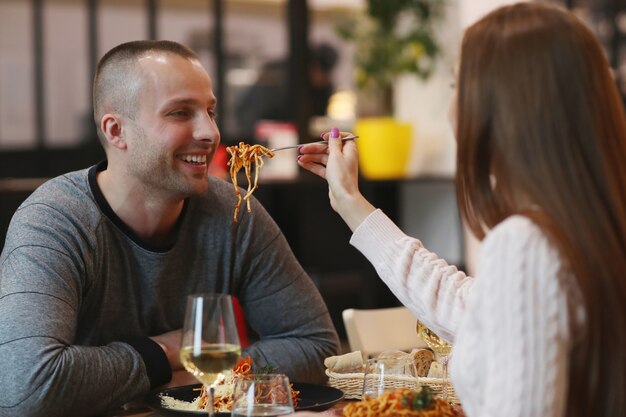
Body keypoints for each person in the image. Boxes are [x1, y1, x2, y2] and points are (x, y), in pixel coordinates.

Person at [297, 3, 626, 417]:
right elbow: (465, 306)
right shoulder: (588, 230)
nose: (450, 108)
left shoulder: (526, 244)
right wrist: (352, 204)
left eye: (456, 86)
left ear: (502, 107)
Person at [0, 40, 339, 417]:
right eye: (180, 113)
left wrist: (196, 382)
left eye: (210, 111)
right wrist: (164, 353)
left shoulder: (235, 211)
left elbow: (316, 346)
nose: (210, 133)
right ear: (116, 131)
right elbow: (25, 387)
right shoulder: (54, 220)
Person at [235, 43, 338, 138]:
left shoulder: (323, 89)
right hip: (261, 138)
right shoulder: (278, 75)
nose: (321, 77)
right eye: (317, 69)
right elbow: (251, 114)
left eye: (325, 73)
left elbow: (316, 120)